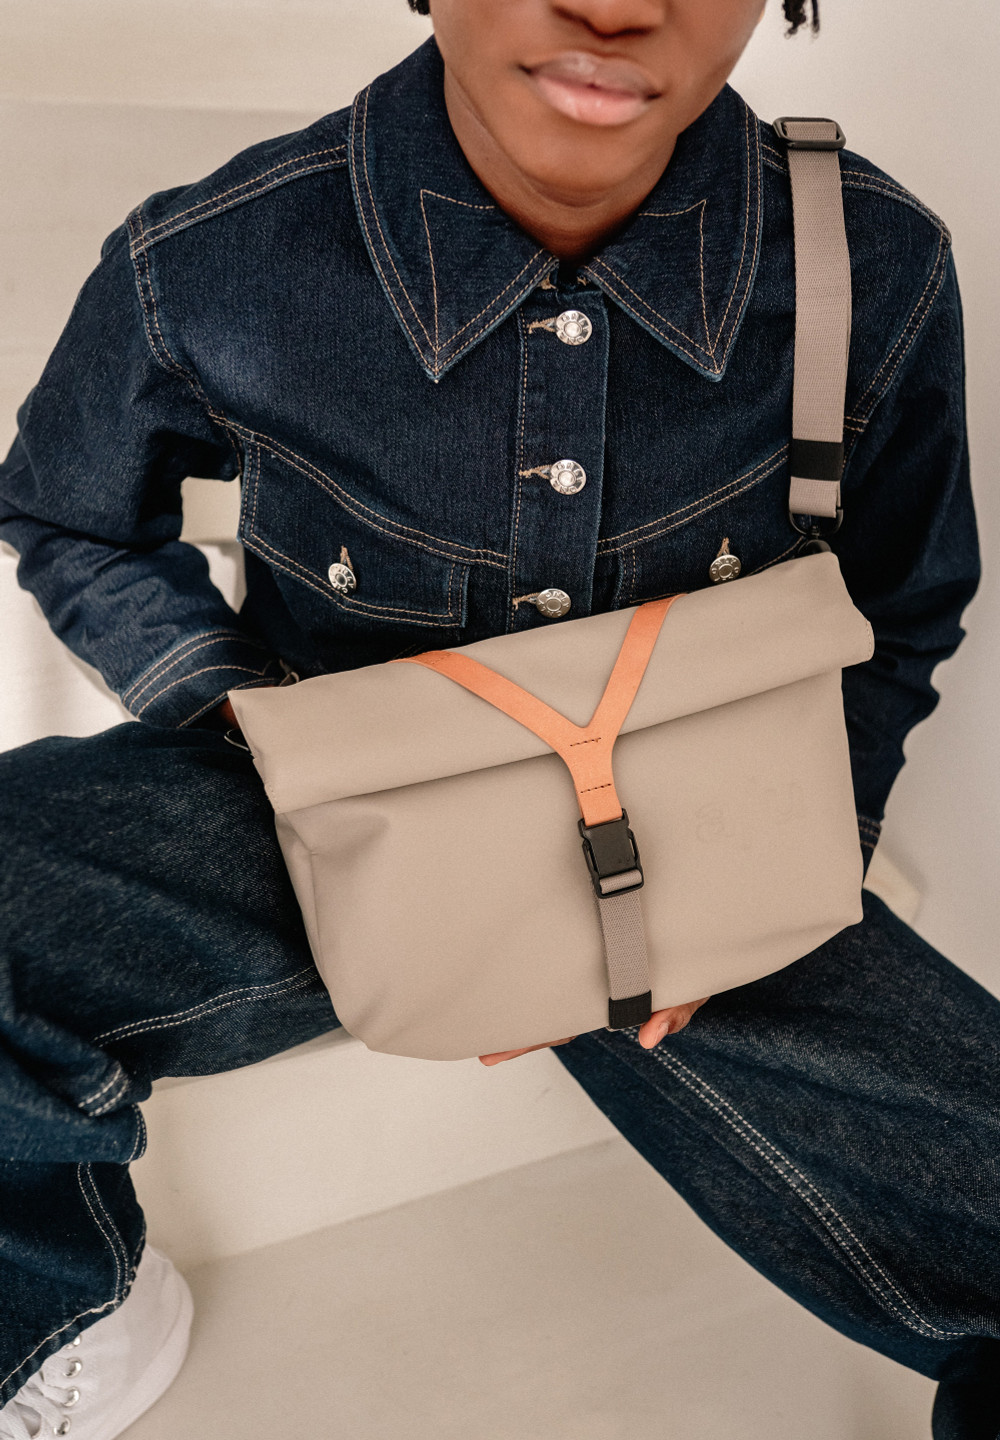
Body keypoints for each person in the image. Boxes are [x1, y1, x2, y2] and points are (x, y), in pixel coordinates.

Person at [0, 0, 996, 1436]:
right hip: (338, 825)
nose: (618, 8)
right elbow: (70, 515)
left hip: (703, 846)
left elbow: (902, 596)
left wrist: (790, 857)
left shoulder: (872, 262)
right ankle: (59, 1305)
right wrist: (258, 729)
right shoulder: (210, 261)